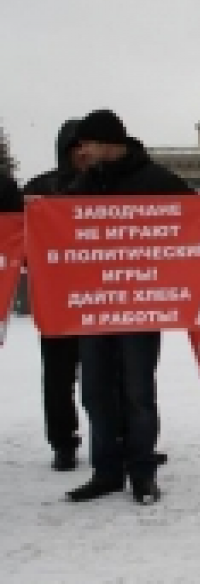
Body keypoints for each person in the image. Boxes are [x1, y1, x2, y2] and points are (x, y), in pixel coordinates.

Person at [62, 109, 194, 505]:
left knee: (137, 392)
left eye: (86, 142)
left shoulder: (156, 180)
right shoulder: (85, 183)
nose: (81, 151)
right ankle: (106, 471)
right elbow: (62, 228)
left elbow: (194, 220)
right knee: (95, 391)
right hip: (96, 306)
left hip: (139, 307)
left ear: (107, 142)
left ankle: (141, 472)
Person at [24, 120, 85, 471]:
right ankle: (63, 442)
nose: (81, 153)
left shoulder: (109, 188)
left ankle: (117, 440)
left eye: (86, 145)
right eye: (74, 147)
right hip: (58, 303)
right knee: (58, 380)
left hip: (103, 299)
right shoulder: (42, 188)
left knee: (107, 380)